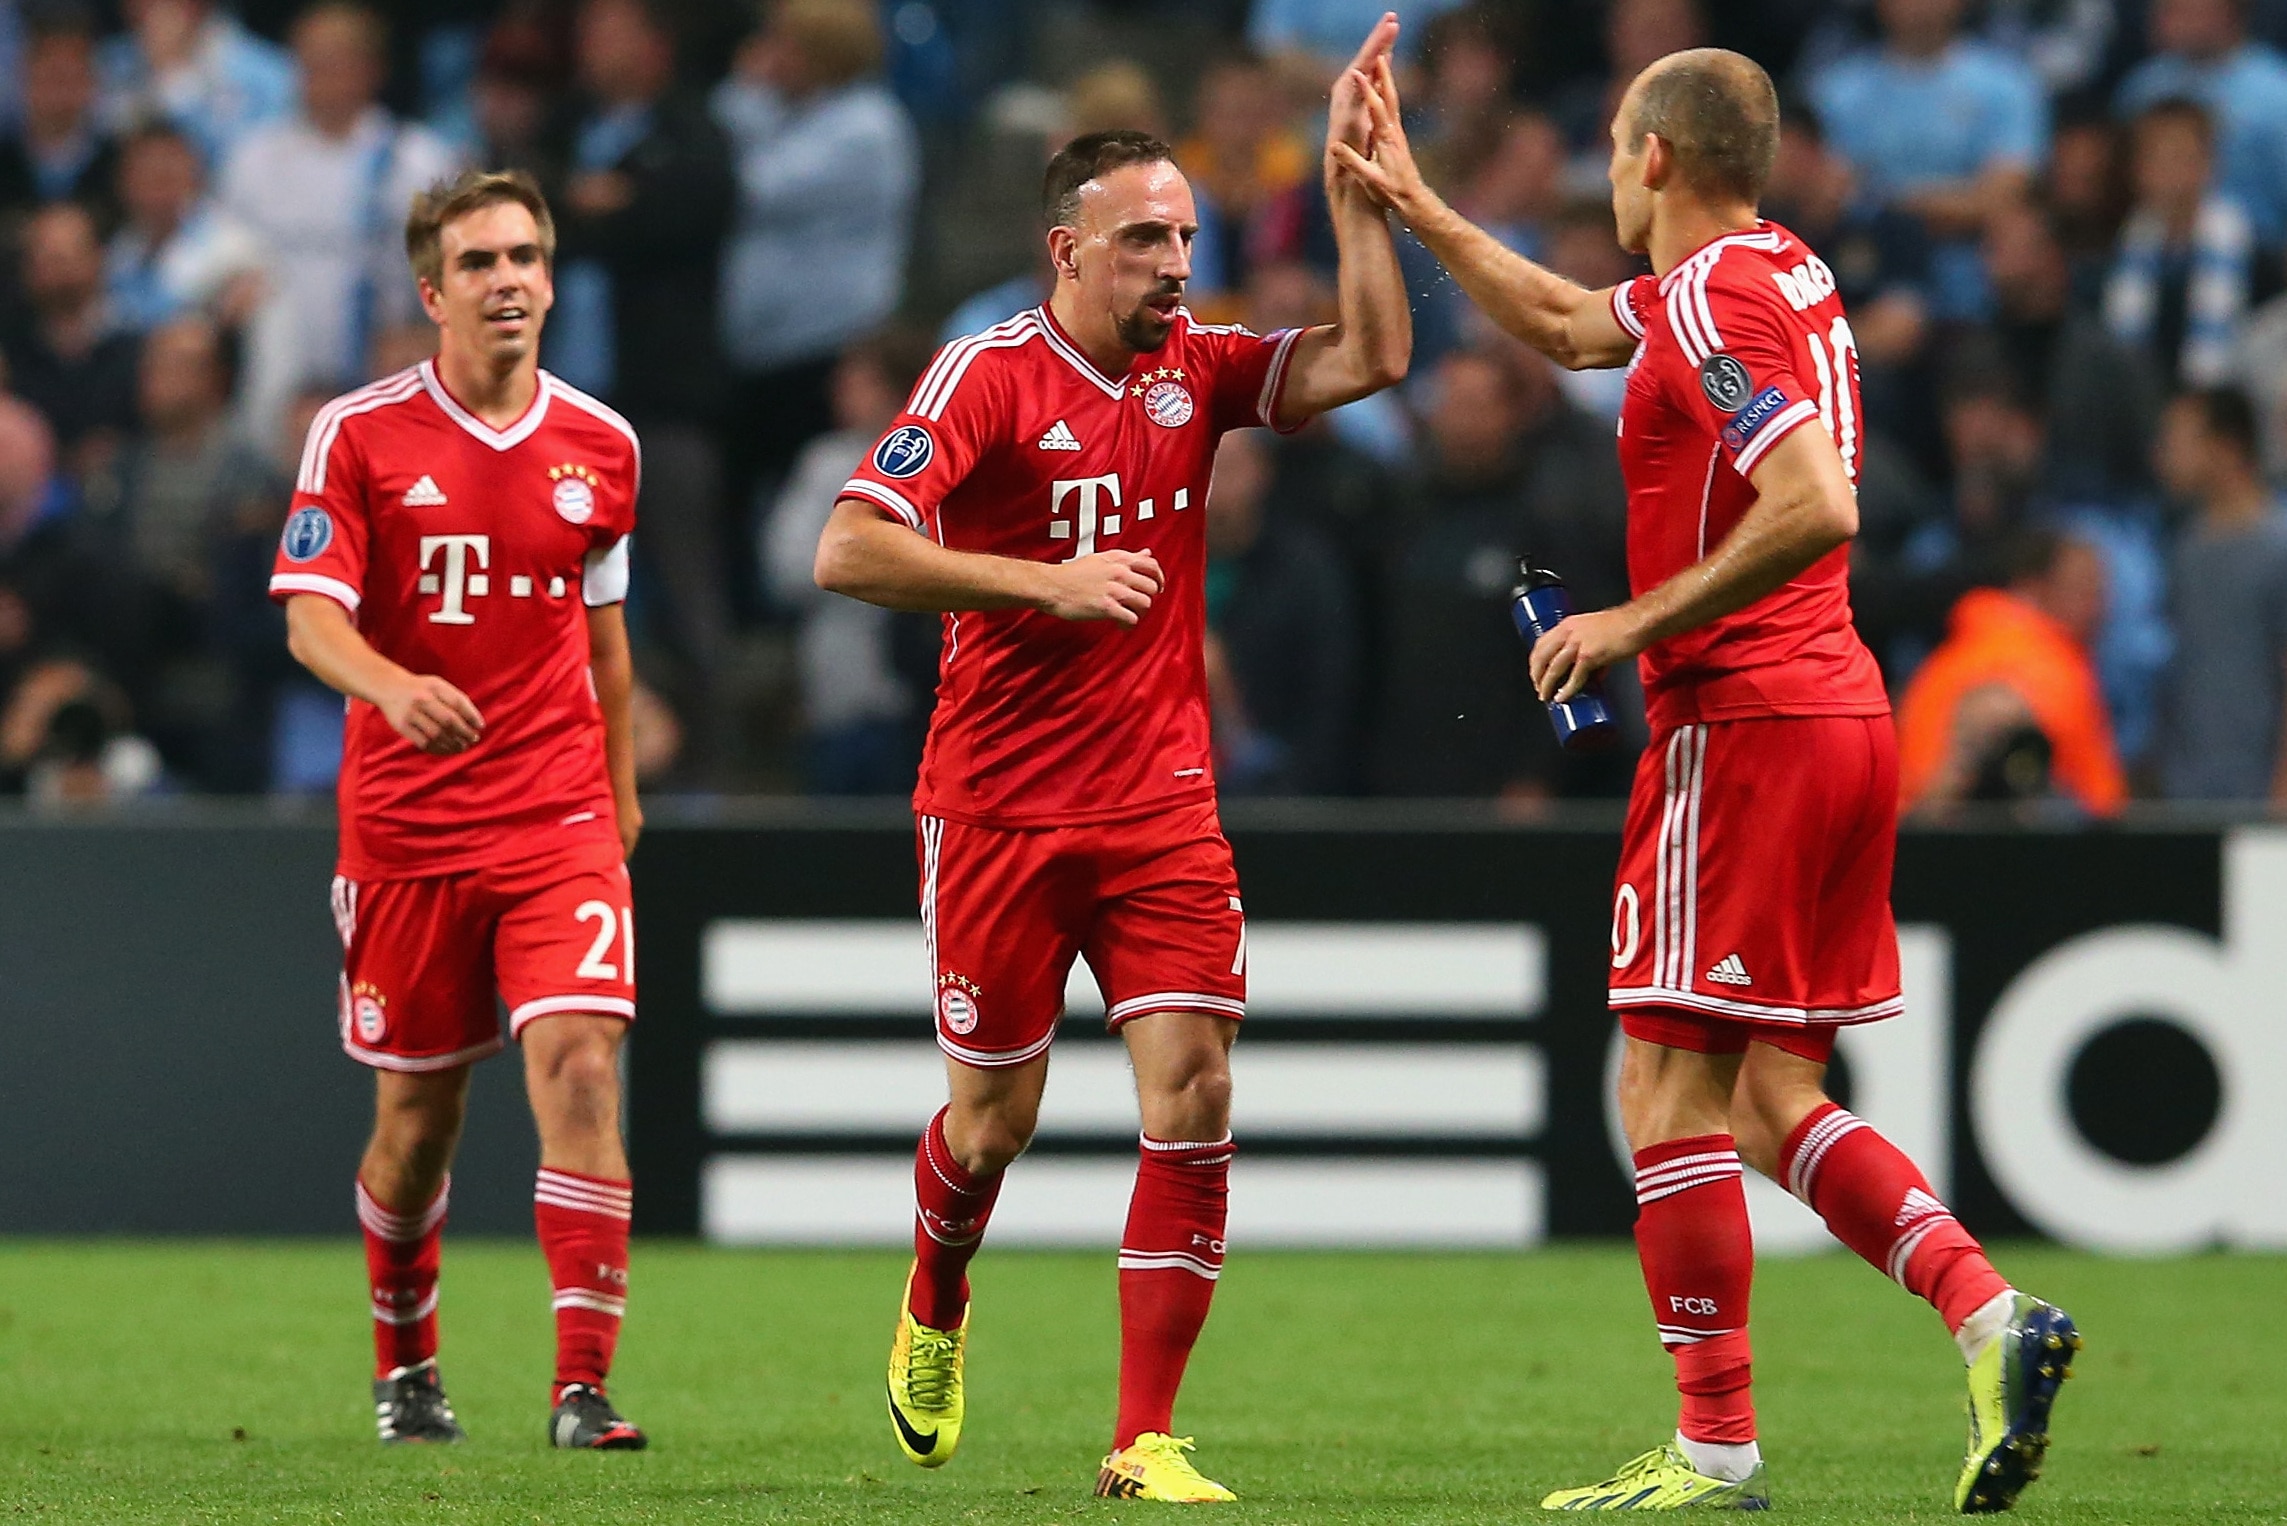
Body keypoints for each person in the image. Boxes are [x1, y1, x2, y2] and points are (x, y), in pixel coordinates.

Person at [1332, 42, 2078, 1512]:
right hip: (1835, 714)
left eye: (1616, 146)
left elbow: (1814, 499)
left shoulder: (1713, 298)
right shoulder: (1774, 270)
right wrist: (1412, 199)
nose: (1607, 172)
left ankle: (1713, 1443)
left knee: (1662, 1086)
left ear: (1656, 157)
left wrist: (1629, 621)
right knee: (1766, 1095)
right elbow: (1564, 323)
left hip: (1742, 724)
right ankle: (1991, 1316)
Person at [814, 19, 1411, 1499]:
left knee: (1193, 1088)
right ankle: (935, 1296)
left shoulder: (1194, 370)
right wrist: (1043, 585)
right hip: (997, 807)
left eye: (1187, 236)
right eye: (1144, 239)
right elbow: (849, 549)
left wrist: (1354, 197)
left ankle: (1143, 1439)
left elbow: (1377, 355)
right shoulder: (983, 376)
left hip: (1158, 801)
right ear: (1065, 250)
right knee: (990, 1124)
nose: (1174, 264)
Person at [267, 169, 648, 1452]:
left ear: (551, 277)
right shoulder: (358, 434)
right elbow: (310, 616)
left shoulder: (603, 443)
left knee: (582, 1060)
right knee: (417, 1124)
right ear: (433, 293)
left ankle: (581, 1388)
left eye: (525, 256)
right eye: (479, 261)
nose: (507, 280)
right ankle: (407, 1363)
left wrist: (619, 796)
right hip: (408, 828)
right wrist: (391, 684)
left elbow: (605, 641)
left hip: (554, 814)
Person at [545, 0, 734, 735]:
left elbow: (689, 215)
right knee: (547, 584)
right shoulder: (563, 126)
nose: (590, 45)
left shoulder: (694, 131)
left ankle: (709, 754)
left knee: (685, 583)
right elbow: (524, 206)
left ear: (656, 45)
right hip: (559, 410)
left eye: (609, 33)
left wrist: (596, 216)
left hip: (661, 403)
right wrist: (598, 210)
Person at [220, 4, 459, 454]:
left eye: (335, 61)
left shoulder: (419, 163)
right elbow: (222, 258)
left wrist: (426, 335)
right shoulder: (253, 159)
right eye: (310, 61)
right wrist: (230, 285)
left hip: (384, 375)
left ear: (372, 69)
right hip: (274, 384)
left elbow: (458, 280)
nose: (320, 75)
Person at [714, 0, 918, 515]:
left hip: (824, 348)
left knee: (808, 498)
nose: (769, 55)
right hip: (765, 349)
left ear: (818, 51)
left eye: (782, 43)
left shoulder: (865, 127)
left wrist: (745, 91)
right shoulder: (793, 116)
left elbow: (746, 188)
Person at [760, 327, 936, 794]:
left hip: (928, 695)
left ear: (897, 386)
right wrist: (885, 562)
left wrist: (867, 561)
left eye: (858, 380)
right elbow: (787, 565)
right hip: (838, 696)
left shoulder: (946, 456)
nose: (839, 390)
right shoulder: (825, 463)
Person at [1808, 0, 2047, 321]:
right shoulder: (1837, 93)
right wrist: (1955, 203)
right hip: (1867, 286)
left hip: (1979, 294)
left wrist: (1883, 200)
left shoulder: (2008, 85)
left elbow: (2003, 200)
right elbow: (1824, 204)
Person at [1895, 529, 2124, 816]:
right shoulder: (2053, 666)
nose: (2100, 609)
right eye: (2082, 590)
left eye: (2101, 592)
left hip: (1914, 827)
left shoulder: (1950, 655)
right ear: (2032, 588)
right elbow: (2101, 802)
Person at [2154, 387, 2287, 802]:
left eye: (2178, 440)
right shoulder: (2185, 547)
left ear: (2227, 448)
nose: (2164, 456)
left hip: (2259, 787)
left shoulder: (2277, 548)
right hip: (2187, 784)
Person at [2103, 97, 2258, 390]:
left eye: (2181, 157)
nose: (2168, 173)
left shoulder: (2253, 257)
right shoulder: (2123, 249)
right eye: (2156, 159)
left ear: (2209, 165)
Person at [2115, 0, 2287, 242]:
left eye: (2190, 10)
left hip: (2262, 245)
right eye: (2169, 9)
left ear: (2230, 12)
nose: (2174, 20)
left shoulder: (2277, 93)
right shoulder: (2142, 88)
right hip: (2152, 241)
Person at [95, 0, 295, 170]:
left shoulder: (269, 72)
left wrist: (173, 78)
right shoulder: (107, 62)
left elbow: (260, 162)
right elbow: (108, 150)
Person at [105, 123, 264, 335]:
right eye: (147, 171)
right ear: (124, 182)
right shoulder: (117, 253)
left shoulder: (234, 248)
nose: (159, 182)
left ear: (195, 174)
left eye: (169, 171)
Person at [0, 12, 120, 231]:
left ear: (91, 83)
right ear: (25, 80)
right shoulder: (5, 161)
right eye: (51, 77)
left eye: (70, 78)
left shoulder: (117, 164)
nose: (59, 91)